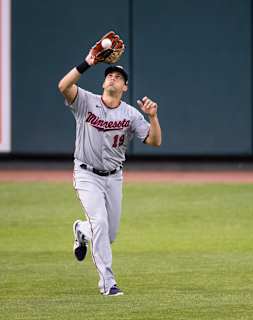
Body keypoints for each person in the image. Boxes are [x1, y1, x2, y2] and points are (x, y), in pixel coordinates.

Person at [58, 48, 162, 296]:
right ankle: (108, 283)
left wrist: (154, 117)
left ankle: (81, 230)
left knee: (108, 233)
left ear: (125, 87)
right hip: (86, 174)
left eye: (118, 77)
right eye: (110, 75)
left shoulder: (130, 114)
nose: (113, 78)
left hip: (114, 177)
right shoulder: (85, 101)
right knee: (101, 225)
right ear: (104, 81)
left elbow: (154, 141)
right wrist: (87, 62)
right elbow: (63, 86)